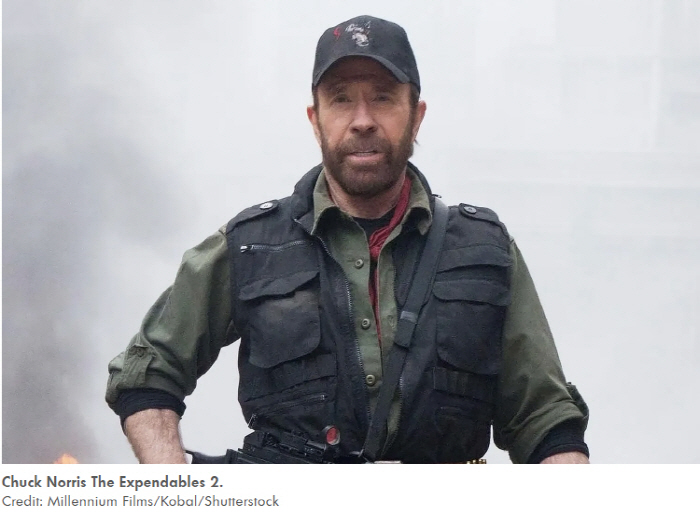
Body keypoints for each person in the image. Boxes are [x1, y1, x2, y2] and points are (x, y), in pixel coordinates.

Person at [106, 15, 589, 464]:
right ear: (315, 119)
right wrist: (174, 489)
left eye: (383, 97)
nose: (362, 120)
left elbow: (546, 422)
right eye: (340, 99)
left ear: (416, 115)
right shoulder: (249, 246)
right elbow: (146, 375)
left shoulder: (485, 250)